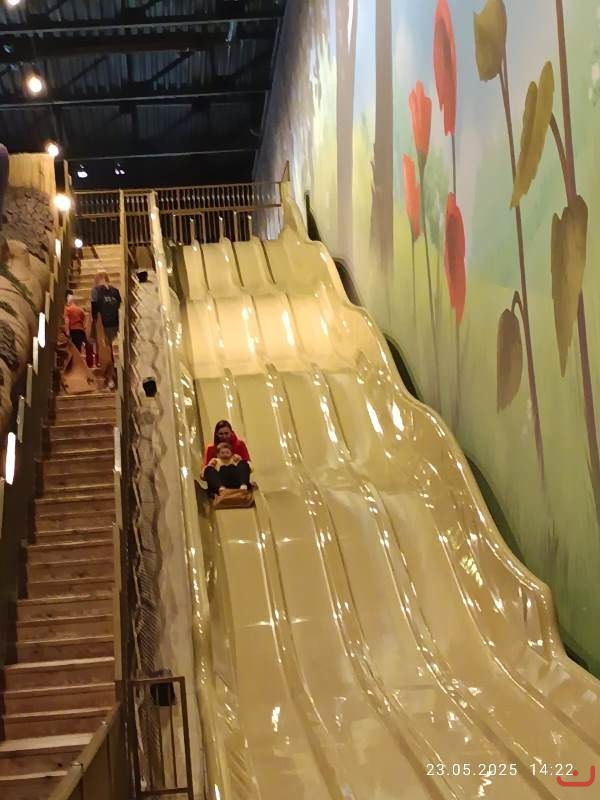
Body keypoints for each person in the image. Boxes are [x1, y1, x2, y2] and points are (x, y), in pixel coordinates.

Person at [91, 270, 121, 390]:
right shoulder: (115, 291)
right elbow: (120, 305)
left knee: (105, 352)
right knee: (109, 351)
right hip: (115, 324)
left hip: (103, 324)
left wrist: (94, 324)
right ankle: (111, 376)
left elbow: (94, 309)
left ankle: (109, 378)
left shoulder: (95, 291)